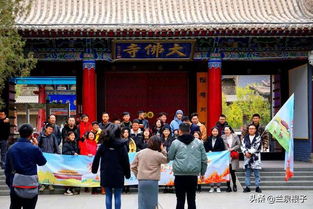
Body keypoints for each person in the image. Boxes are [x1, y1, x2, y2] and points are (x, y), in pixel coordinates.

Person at [5, 124, 47, 209]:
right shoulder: (34, 148)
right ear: (31, 135)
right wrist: (37, 146)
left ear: (19, 133)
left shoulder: (11, 148)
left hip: (15, 183)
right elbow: (42, 162)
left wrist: (10, 183)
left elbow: (7, 169)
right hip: (31, 184)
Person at [168, 123, 207, 209]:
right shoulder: (199, 143)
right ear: (189, 131)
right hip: (193, 175)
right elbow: (204, 159)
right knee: (192, 199)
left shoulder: (175, 143)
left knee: (180, 200)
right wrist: (202, 173)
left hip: (179, 175)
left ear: (179, 131)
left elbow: (170, 157)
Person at [92, 124, 130, 209]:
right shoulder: (122, 146)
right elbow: (125, 161)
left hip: (106, 173)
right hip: (118, 173)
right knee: (118, 196)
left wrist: (94, 169)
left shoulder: (103, 145)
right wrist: (127, 174)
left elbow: (96, 158)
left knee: (108, 196)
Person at [131, 136, 168, 209]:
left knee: (142, 202)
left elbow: (133, 166)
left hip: (142, 180)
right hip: (153, 181)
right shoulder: (158, 155)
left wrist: (138, 174)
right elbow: (167, 160)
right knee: (152, 201)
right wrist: (163, 150)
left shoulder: (140, 153)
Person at [38, 124, 60, 192]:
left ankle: (50, 184)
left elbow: (56, 146)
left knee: (50, 170)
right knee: (43, 170)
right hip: (43, 156)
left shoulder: (53, 136)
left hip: (51, 156)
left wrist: (58, 154)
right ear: (46, 129)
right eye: (49, 129)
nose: (50, 130)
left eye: (51, 129)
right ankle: (43, 184)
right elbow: (37, 145)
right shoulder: (41, 135)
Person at [203, 127, 226, 193]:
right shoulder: (208, 139)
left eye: (216, 131)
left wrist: (215, 152)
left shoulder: (220, 139)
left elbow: (222, 148)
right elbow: (205, 147)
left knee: (218, 172)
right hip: (210, 159)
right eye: (213, 131)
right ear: (211, 132)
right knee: (211, 172)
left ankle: (218, 187)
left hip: (218, 159)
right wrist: (208, 151)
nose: (215, 132)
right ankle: (212, 187)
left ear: (218, 132)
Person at [241, 124, 262, 193]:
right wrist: (245, 153)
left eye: (253, 128)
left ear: (255, 130)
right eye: (250, 128)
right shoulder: (245, 138)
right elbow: (242, 146)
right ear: (248, 130)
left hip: (255, 158)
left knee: (257, 174)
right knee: (247, 174)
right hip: (247, 158)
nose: (251, 130)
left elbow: (257, 147)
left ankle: (257, 187)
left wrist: (249, 153)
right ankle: (247, 187)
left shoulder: (258, 138)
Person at [221, 126, 240, 192]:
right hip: (226, 156)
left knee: (232, 172)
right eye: (225, 130)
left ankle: (234, 185)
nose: (226, 131)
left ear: (230, 130)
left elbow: (238, 145)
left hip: (233, 156)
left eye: (227, 130)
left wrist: (232, 149)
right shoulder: (222, 137)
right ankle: (228, 186)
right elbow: (221, 145)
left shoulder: (235, 136)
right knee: (227, 172)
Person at [62, 131, 79, 196]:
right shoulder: (66, 143)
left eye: (73, 135)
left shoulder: (74, 143)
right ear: (68, 136)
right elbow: (64, 153)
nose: (73, 137)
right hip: (67, 162)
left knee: (73, 176)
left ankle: (71, 189)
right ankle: (66, 190)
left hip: (73, 162)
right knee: (68, 176)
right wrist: (72, 153)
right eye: (71, 135)